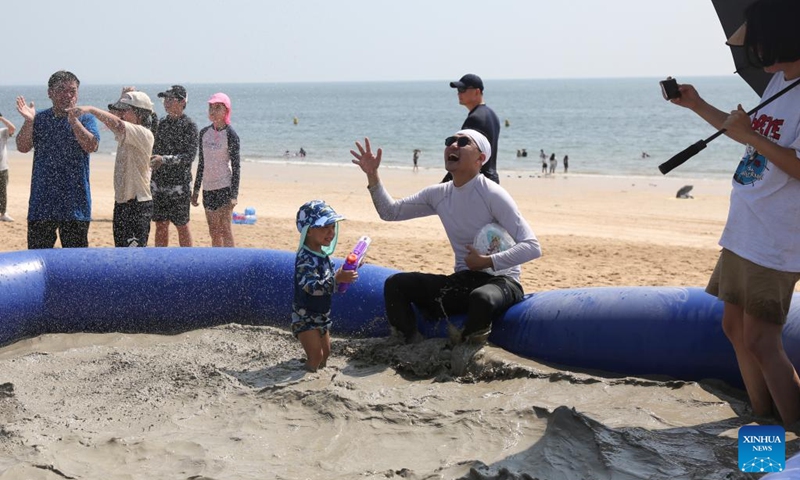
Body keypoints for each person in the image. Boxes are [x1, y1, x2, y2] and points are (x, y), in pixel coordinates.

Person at [669, 0, 800, 425]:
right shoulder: (780, 80)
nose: (755, 50)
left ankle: (792, 433)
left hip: (779, 238)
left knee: (762, 341)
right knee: (734, 329)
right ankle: (761, 423)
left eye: (759, 40)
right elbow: (750, 137)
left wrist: (750, 135)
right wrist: (698, 105)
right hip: (745, 228)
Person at [350, 129, 542, 344]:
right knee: (396, 284)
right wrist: (372, 175)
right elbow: (390, 212)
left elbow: (532, 246)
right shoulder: (439, 194)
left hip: (502, 282)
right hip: (463, 282)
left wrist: (487, 261)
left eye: (463, 142)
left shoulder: (492, 194)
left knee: (481, 298)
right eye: (450, 141)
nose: (453, 145)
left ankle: (469, 354)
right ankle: (408, 345)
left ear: (481, 158)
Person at [15, 71, 100, 249]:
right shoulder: (39, 119)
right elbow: (22, 147)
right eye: (61, 90)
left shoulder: (86, 118)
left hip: (75, 205)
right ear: (50, 93)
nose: (67, 95)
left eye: (72, 91)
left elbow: (91, 146)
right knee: (38, 256)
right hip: (42, 204)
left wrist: (74, 122)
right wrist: (29, 122)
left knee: (76, 265)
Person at [71, 90, 157, 247]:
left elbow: (115, 122)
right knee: (121, 252)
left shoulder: (143, 134)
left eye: (126, 110)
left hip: (137, 205)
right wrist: (121, 98)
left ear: (140, 113)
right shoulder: (126, 134)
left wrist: (90, 109)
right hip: (122, 204)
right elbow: (111, 118)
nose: (121, 114)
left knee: (134, 255)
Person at [292, 200, 357, 372]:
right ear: (309, 231)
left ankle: (313, 375)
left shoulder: (323, 255)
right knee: (316, 357)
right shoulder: (305, 259)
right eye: (324, 227)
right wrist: (336, 280)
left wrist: (345, 275)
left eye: (333, 227)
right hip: (305, 317)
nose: (331, 232)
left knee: (326, 354)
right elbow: (310, 287)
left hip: (321, 315)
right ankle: (304, 381)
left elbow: (331, 283)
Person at [151, 85, 198, 247]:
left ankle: (187, 263)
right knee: (160, 224)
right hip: (159, 184)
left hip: (180, 186)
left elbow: (189, 157)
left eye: (171, 99)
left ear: (182, 101)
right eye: (165, 99)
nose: (166, 103)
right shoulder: (161, 124)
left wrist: (163, 160)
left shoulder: (189, 126)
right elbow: (153, 149)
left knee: (182, 225)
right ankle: (160, 262)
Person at [192, 93, 240, 247]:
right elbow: (202, 163)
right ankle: (218, 266)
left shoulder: (231, 135)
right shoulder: (204, 133)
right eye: (210, 107)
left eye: (217, 107)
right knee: (213, 231)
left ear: (226, 111)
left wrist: (234, 195)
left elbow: (236, 166)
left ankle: (230, 264)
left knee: (225, 229)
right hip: (208, 188)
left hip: (224, 187)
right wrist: (196, 190)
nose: (212, 111)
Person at [444, 74, 501, 184]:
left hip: (477, 183)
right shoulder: (491, 114)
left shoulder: (475, 118)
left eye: (462, 89)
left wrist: (444, 186)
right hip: (490, 180)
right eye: (458, 90)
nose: (459, 93)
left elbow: (462, 155)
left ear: (477, 92)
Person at [0, 113, 17, 222]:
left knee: (3, 192)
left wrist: (1, 117)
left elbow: (12, 128)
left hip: (2, 167)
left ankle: (3, 213)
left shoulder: (2, 132)